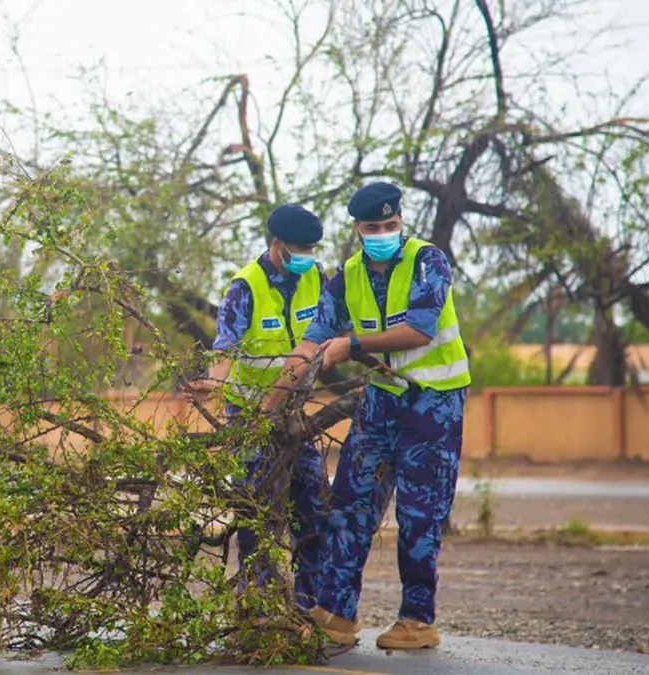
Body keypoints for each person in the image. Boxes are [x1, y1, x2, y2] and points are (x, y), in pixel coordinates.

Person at [261, 182, 470, 650]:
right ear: (356, 229)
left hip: (433, 403)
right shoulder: (348, 275)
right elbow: (312, 342)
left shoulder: (427, 261)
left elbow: (420, 329)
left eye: (389, 225)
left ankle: (417, 621)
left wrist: (352, 345)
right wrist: (267, 410)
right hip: (382, 401)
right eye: (372, 227)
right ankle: (337, 613)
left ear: (400, 223)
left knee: (419, 515)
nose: (382, 233)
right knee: (349, 504)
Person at [186, 203, 330, 615]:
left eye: (311, 249)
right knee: (257, 510)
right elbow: (226, 346)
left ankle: (309, 605)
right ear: (276, 244)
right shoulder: (244, 287)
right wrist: (214, 382)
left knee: (314, 506)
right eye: (298, 249)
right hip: (250, 416)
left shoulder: (316, 279)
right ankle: (259, 606)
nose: (305, 256)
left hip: (295, 414)